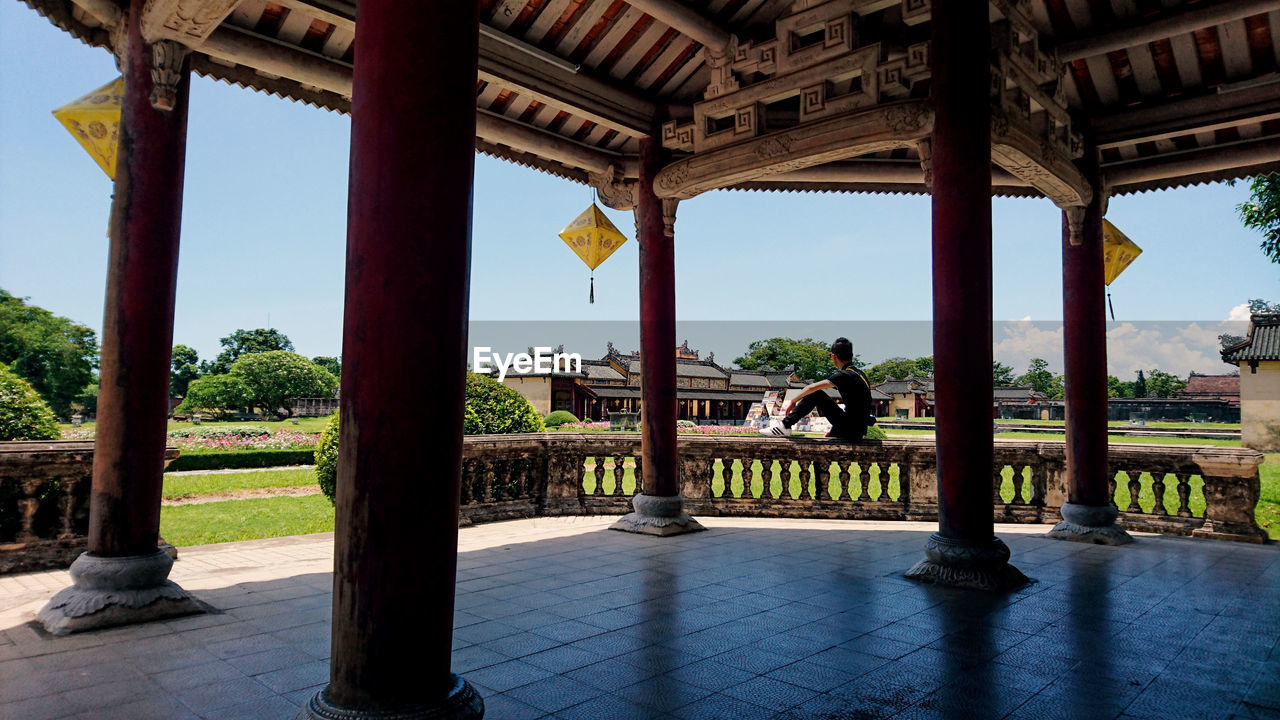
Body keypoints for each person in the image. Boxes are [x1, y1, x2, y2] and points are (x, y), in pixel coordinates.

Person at [760, 337, 872, 440]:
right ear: (851, 355)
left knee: (816, 394)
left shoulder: (844, 375)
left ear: (833, 356)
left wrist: (793, 401)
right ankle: (786, 425)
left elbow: (811, 388)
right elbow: (858, 410)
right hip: (857, 429)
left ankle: (785, 425)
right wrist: (836, 429)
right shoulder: (860, 374)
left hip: (851, 429)